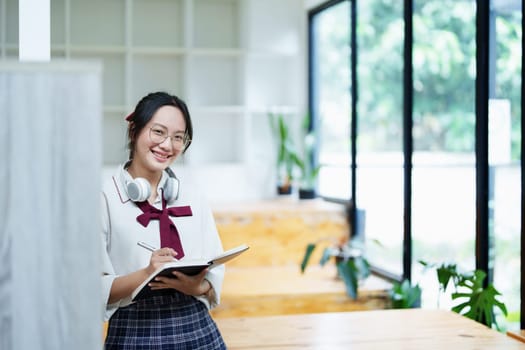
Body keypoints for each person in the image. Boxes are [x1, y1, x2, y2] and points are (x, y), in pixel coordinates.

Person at [101, 91, 227, 349]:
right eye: (158, 132)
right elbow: (93, 288)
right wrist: (147, 273)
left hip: (197, 327)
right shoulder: (104, 198)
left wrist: (198, 287)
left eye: (178, 137)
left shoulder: (193, 196)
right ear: (134, 130)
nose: (168, 145)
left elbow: (215, 272)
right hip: (134, 330)